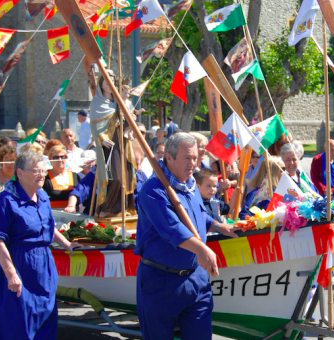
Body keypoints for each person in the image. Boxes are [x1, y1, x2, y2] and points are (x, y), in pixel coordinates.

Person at [0, 150, 80, 340]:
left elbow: (49, 226)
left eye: (43, 170)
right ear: (19, 172)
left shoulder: (42, 197)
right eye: (36, 171)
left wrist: (67, 244)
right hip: (16, 264)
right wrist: (11, 274)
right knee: (17, 320)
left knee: (45, 315)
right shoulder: (4, 201)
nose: (42, 175)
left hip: (42, 267)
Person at [134, 132, 239, 339]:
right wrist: (202, 249)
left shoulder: (191, 185)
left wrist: (219, 226)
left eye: (195, 157)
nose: (193, 163)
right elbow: (172, 228)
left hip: (196, 278)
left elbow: (198, 216)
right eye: (187, 158)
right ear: (170, 158)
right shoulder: (153, 190)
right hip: (161, 280)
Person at [89, 72, 136, 217]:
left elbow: (126, 117)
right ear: (101, 83)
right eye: (107, 81)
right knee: (114, 177)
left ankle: (121, 208)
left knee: (126, 176)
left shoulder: (118, 101)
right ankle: (107, 208)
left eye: (113, 81)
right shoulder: (97, 103)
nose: (110, 84)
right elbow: (95, 126)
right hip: (108, 144)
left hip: (122, 141)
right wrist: (101, 137)